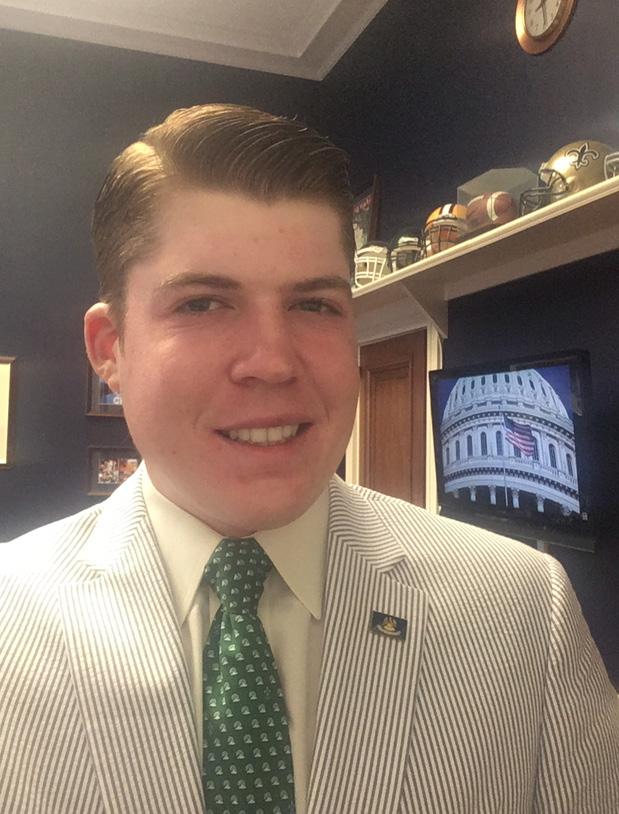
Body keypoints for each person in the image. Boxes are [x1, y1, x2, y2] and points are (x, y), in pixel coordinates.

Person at [0, 104, 617, 814]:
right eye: (202, 304)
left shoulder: (522, 610)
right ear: (110, 349)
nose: (272, 362)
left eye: (315, 306)